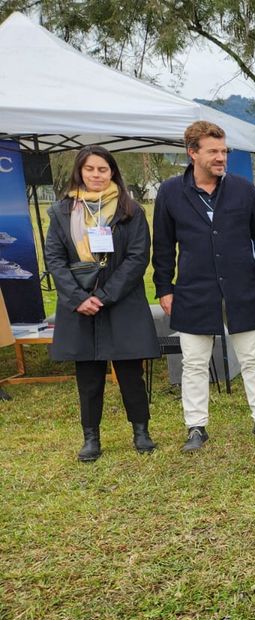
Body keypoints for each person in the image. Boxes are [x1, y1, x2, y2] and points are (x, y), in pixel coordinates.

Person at [152, 120, 255, 453]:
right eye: (214, 151)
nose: (221, 157)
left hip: (243, 286)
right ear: (193, 153)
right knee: (194, 362)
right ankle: (196, 427)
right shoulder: (170, 192)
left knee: (253, 358)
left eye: (224, 151)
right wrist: (165, 288)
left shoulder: (242, 189)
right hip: (194, 289)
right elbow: (163, 246)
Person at [44, 146, 160, 462]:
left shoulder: (131, 211)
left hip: (121, 302)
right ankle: (91, 439)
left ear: (113, 173)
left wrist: (105, 296)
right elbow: (54, 258)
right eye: (90, 169)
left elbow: (139, 257)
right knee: (89, 376)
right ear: (80, 172)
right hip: (79, 303)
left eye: (103, 169)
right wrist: (79, 298)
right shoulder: (62, 212)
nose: (96, 175)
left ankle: (141, 431)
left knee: (130, 372)